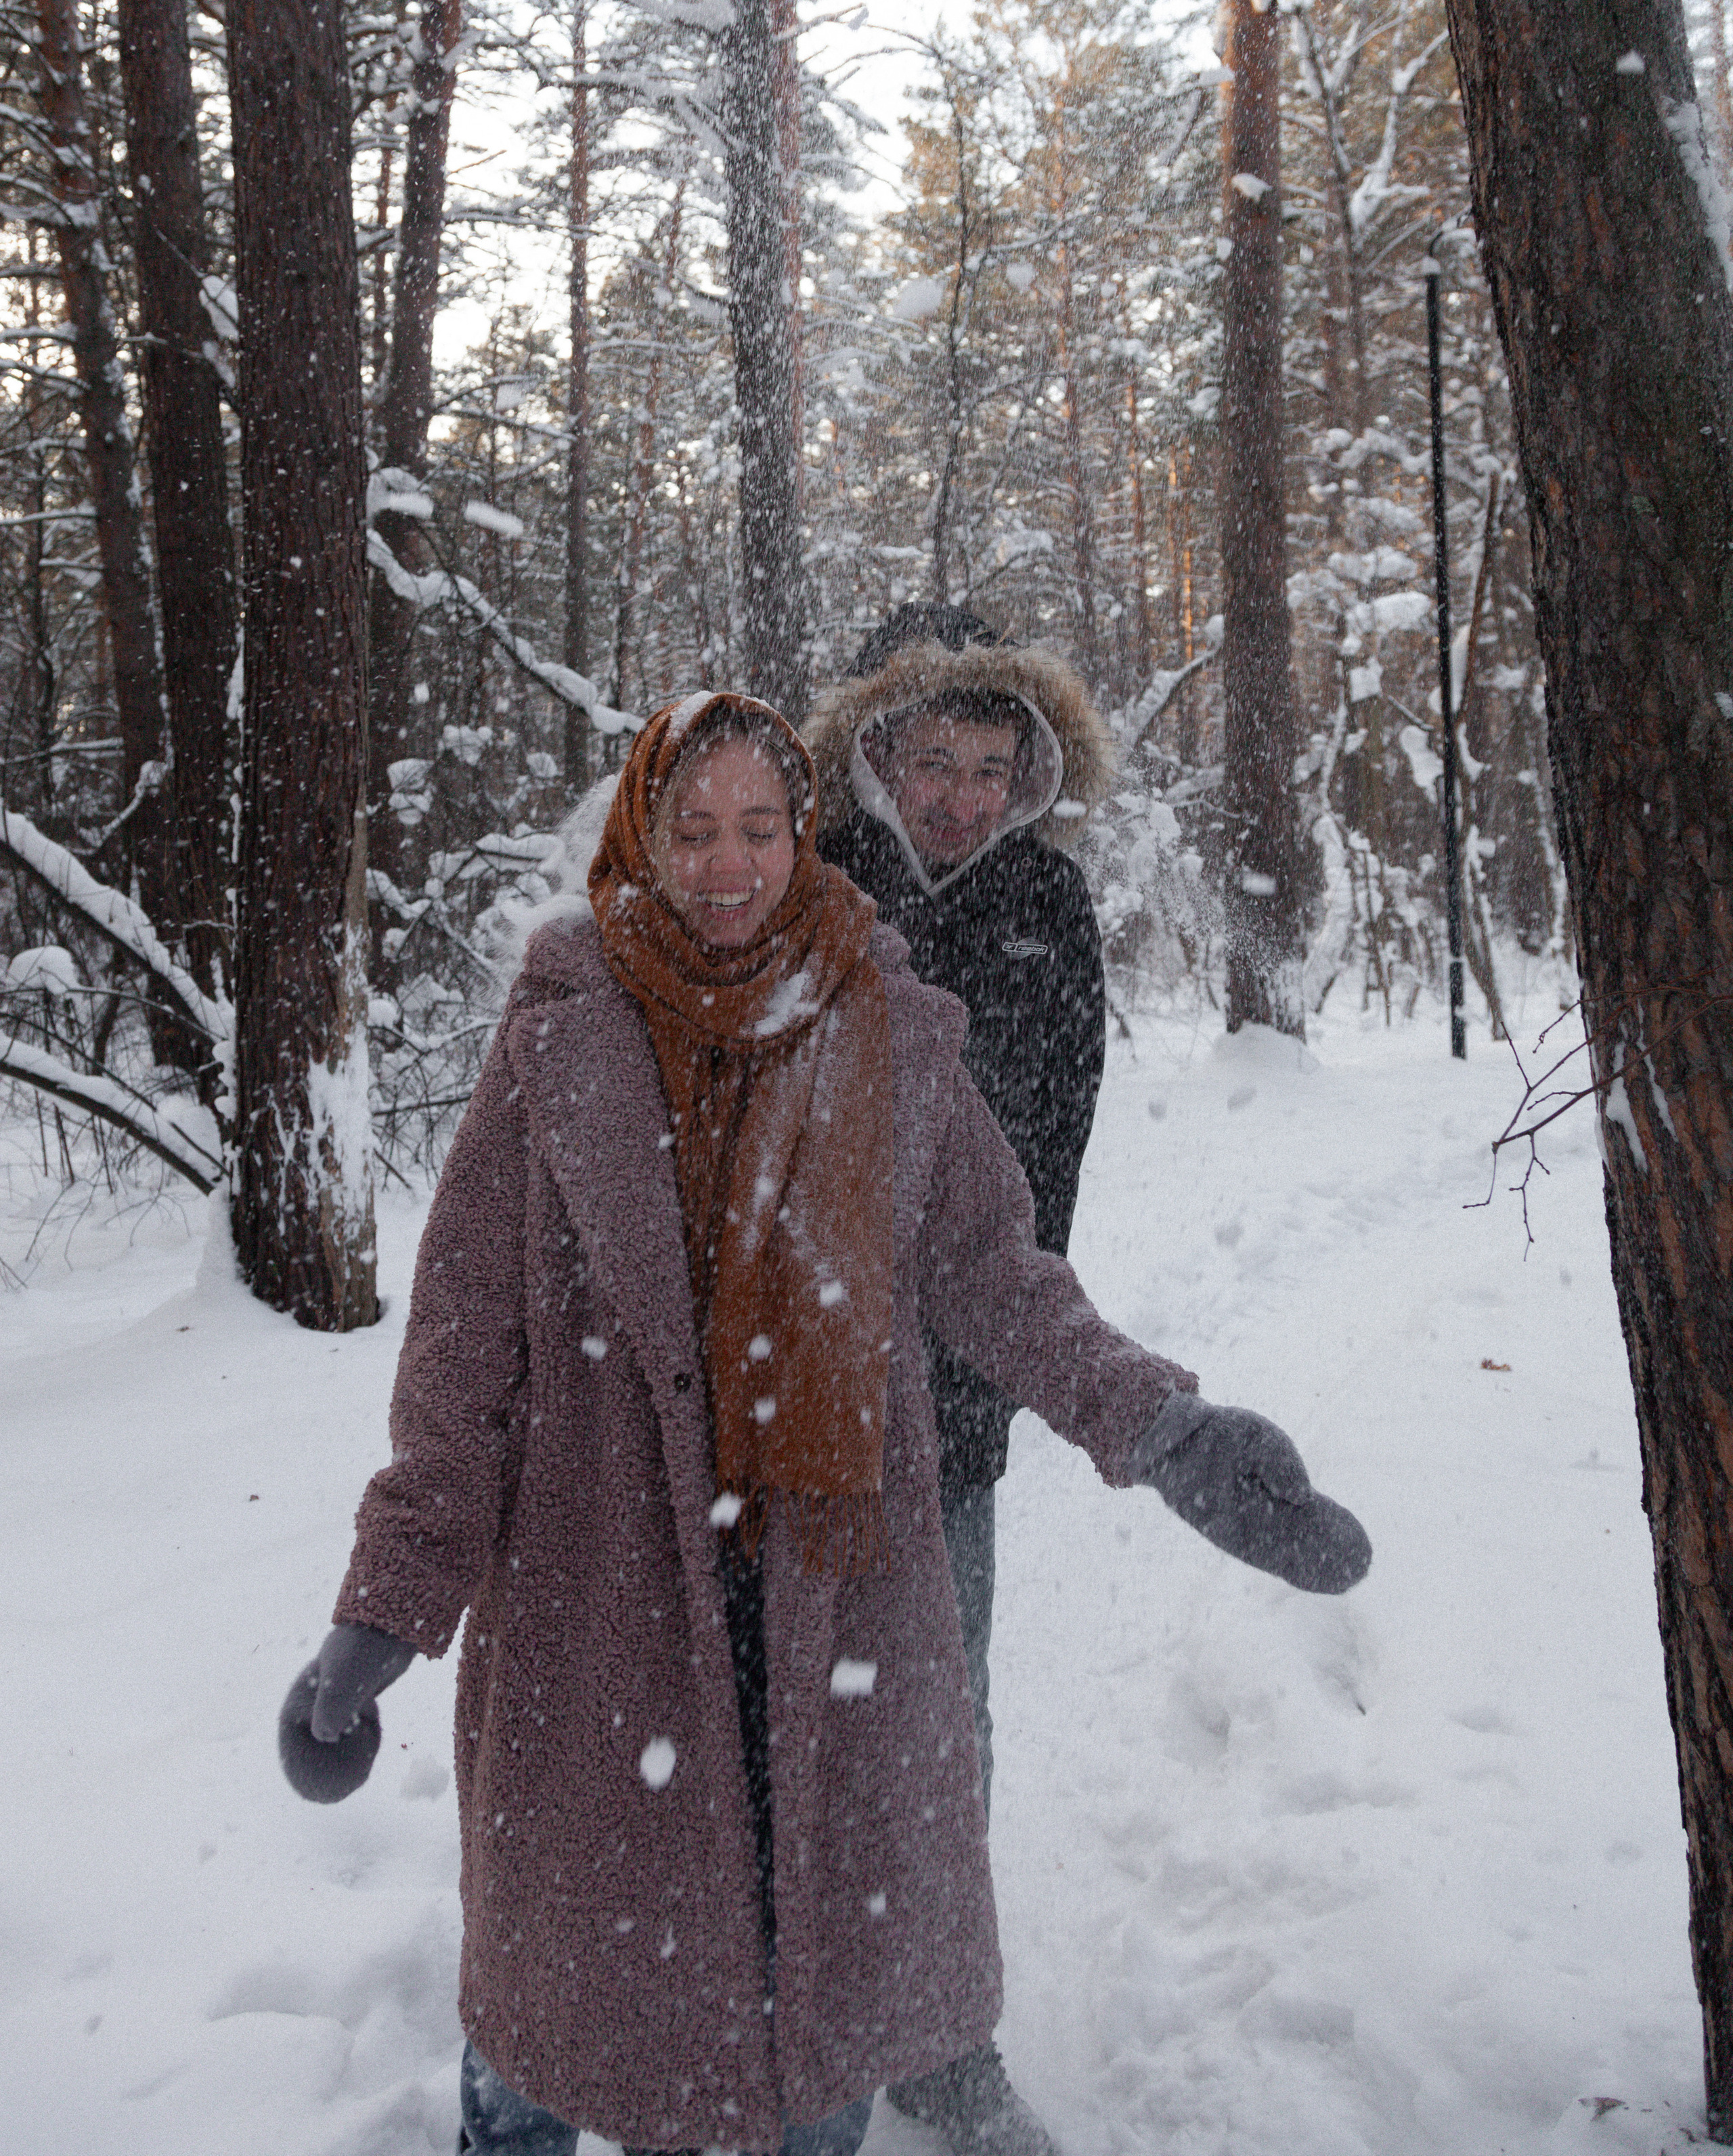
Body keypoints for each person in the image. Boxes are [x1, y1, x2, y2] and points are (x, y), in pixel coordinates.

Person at [278, 691, 1370, 2156]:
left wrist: (1158, 1426)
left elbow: (997, 1275)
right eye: (694, 830)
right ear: (641, 839)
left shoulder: (885, 1030)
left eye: (758, 829)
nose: (728, 866)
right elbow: (465, 1364)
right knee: (555, 2014)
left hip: (829, 1598)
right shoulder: (558, 1044)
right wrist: (385, 1611)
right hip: (598, 1600)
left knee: (821, 1983)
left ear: (803, 836)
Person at [807, 604, 1113, 2156]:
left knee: (938, 1731)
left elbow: (1032, 1175)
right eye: (932, 759)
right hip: (777, 1395)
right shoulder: (795, 889)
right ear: (873, 752)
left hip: (950, 1408)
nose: (959, 796)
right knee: (770, 1722)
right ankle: (789, 2041)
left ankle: (938, 2042)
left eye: (992, 766)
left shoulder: (1045, 909)